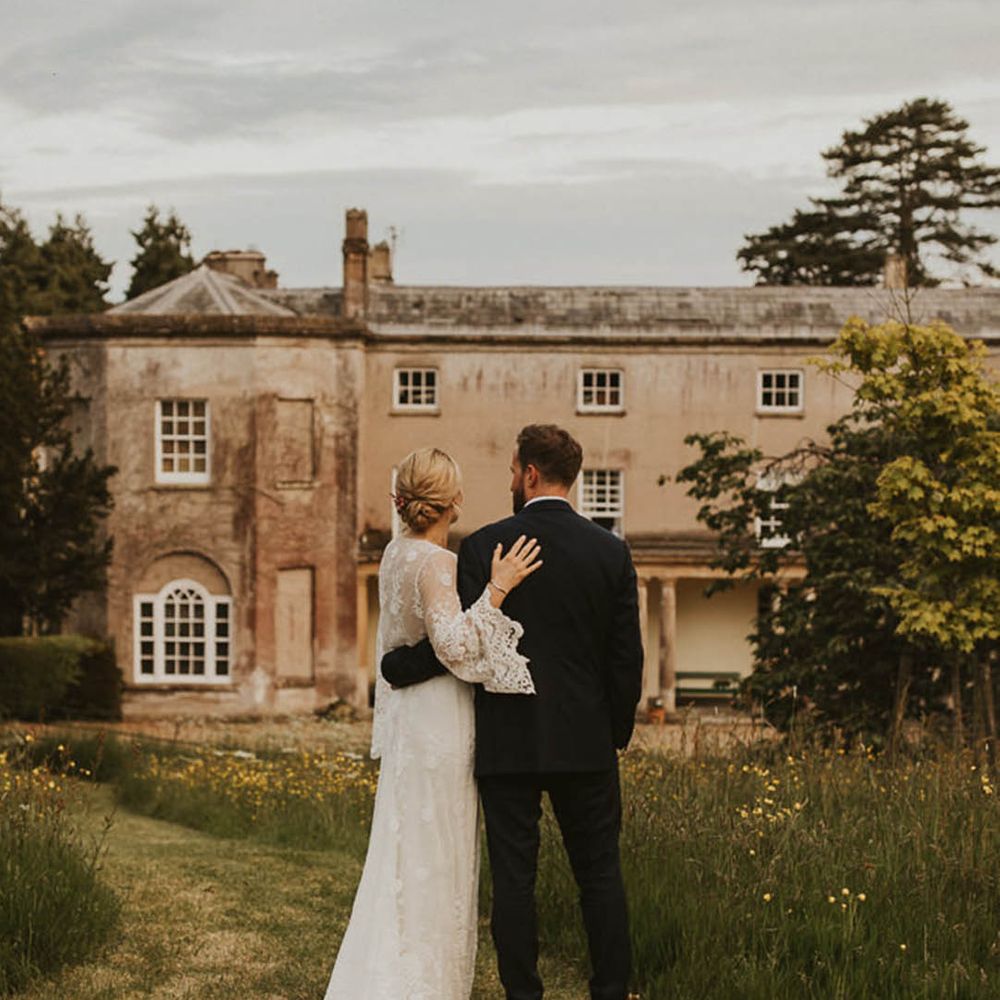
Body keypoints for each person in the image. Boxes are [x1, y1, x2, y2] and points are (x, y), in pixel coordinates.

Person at [382, 424, 644, 1000]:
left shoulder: (484, 546)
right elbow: (626, 657)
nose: (508, 479)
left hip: (508, 742)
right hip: (585, 743)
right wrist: (614, 734)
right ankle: (610, 991)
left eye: (510, 470)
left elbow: (466, 645)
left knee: (514, 881)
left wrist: (399, 666)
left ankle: (523, 994)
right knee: (599, 876)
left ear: (528, 473)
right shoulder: (610, 551)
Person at [324, 447, 541, 1000]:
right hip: (440, 720)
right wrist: (498, 587)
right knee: (439, 851)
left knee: (407, 845)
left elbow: (403, 648)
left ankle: (395, 967)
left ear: (404, 500)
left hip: (411, 721)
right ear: (456, 501)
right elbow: (455, 648)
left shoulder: (395, 554)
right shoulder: (437, 563)